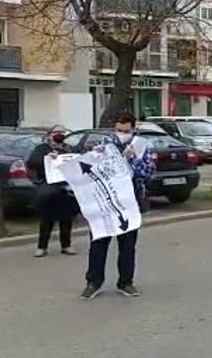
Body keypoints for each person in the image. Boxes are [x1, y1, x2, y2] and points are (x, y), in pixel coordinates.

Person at [81, 112, 155, 300]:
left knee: (128, 245)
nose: (122, 134)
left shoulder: (143, 146)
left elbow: (148, 172)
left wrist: (132, 160)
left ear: (134, 128)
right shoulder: (105, 144)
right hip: (105, 203)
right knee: (98, 243)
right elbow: (88, 166)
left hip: (129, 202)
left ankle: (126, 282)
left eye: (126, 131)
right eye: (119, 130)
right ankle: (93, 282)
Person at [27, 125, 79, 258]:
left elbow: (78, 162)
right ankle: (42, 247)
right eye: (57, 132)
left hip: (65, 189)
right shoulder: (42, 149)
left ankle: (66, 245)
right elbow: (32, 162)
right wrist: (47, 158)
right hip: (48, 188)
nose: (60, 135)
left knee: (66, 218)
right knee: (46, 219)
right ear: (50, 135)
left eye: (62, 133)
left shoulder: (68, 149)